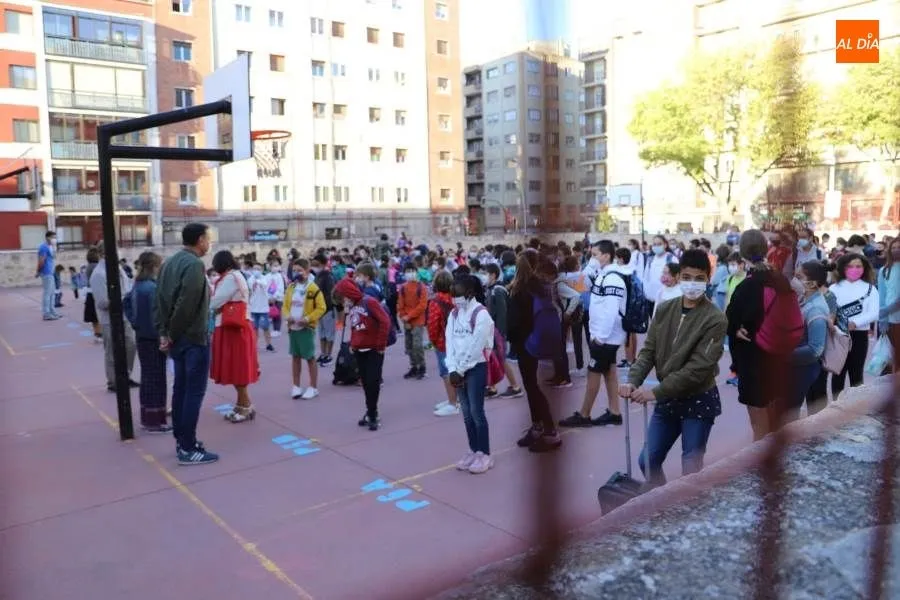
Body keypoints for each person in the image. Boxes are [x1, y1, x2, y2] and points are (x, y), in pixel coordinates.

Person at [620, 248, 727, 486]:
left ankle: (688, 513)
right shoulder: (666, 309)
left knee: (691, 468)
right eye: (688, 277)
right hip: (668, 400)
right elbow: (648, 351)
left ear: (708, 279)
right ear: (679, 278)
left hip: (698, 400)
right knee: (647, 460)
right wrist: (632, 380)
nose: (693, 283)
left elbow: (697, 370)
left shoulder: (715, 319)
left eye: (700, 279)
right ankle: (664, 504)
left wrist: (653, 392)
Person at [155, 223, 218, 465]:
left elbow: (159, 299)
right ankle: (188, 446)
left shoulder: (170, 262)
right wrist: (171, 332)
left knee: (180, 388)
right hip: (192, 338)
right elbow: (186, 303)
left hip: (178, 338)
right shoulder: (193, 264)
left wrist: (164, 332)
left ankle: (182, 440)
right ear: (200, 239)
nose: (209, 243)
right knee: (193, 391)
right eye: (208, 239)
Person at [727, 229, 792, 441]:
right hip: (779, 358)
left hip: (752, 361)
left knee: (759, 425)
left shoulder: (745, 287)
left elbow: (730, 323)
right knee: (776, 418)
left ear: (741, 253)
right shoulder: (781, 281)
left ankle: (761, 468)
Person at [560, 240, 628, 428]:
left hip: (606, 336)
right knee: (609, 372)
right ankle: (615, 412)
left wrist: (600, 338)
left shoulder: (613, 278)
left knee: (594, 372)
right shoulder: (602, 274)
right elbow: (580, 286)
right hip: (604, 335)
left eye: (595, 255)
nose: (592, 258)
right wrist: (588, 268)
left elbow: (611, 310)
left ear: (606, 256)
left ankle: (585, 414)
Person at [507, 251, 562, 453]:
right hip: (537, 340)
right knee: (532, 385)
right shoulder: (542, 288)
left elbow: (514, 323)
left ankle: (549, 430)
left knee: (532, 387)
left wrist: (511, 338)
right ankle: (538, 426)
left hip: (524, 343)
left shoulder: (520, 290)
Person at [446, 275, 496, 474]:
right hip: (457, 368)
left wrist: (460, 369)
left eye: (457, 295)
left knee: (477, 412)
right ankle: (473, 449)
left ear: (470, 293)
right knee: (466, 414)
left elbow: (477, 346)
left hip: (475, 367)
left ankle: (484, 453)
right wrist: (451, 368)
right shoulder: (454, 314)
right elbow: (449, 342)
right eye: (452, 295)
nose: (454, 299)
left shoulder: (481, 314)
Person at [209, 249, 260, 423]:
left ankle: (245, 406)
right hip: (236, 326)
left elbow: (215, 301)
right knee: (236, 368)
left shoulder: (230, 278)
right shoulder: (235, 276)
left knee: (237, 369)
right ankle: (241, 405)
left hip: (233, 328)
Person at [334, 278, 391, 430]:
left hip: (374, 349)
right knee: (365, 382)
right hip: (359, 350)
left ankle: (373, 414)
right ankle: (370, 411)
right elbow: (354, 327)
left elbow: (385, 321)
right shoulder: (352, 307)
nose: (343, 301)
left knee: (373, 382)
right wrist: (353, 344)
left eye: (343, 297)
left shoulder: (369, 302)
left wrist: (380, 345)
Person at [129, 251, 171, 433]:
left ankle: (148, 417)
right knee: (156, 379)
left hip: (142, 336)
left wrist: (135, 323)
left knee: (148, 378)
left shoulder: (138, 285)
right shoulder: (152, 288)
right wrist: (164, 335)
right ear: (154, 267)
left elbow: (126, 305)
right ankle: (155, 420)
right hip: (153, 338)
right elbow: (158, 316)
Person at [90, 240, 138, 393]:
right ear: (104, 253)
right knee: (112, 350)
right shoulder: (98, 274)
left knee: (130, 345)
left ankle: (126, 375)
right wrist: (124, 299)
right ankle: (113, 381)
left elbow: (128, 285)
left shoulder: (118, 268)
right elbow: (103, 302)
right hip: (109, 319)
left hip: (125, 316)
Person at [829, 253, 878, 397]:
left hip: (859, 336)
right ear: (843, 268)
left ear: (864, 268)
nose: (854, 269)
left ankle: (856, 411)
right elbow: (829, 310)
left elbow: (874, 312)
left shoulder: (870, 289)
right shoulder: (834, 288)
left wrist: (855, 323)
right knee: (838, 373)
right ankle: (836, 409)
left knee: (856, 375)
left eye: (858, 266)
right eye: (850, 266)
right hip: (838, 334)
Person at [787, 261, 830, 421]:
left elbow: (816, 349)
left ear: (811, 283)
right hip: (798, 365)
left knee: (789, 416)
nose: (794, 280)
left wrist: (784, 355)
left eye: (799, 277)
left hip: (804, 368)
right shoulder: (805, 301)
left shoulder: (815, 309)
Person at [284, 258, 327, 400]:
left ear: (307, 272)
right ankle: (296, 386)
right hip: (293, 328)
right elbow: (285, 306)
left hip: (306, 328)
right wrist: (287, 316)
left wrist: (308, 319)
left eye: (299, 270)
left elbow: (321, 307)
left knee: (309, 357)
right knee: (295, 357)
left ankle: (313, 387)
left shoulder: (313, 288)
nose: (296, 273)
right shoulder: (291, 287)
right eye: (294, 270)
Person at [483, 263, 523, 398]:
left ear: (493, 275)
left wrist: (499, 333)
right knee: (491, 358)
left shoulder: (498, 290)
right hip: (492, 329)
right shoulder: (491, 289)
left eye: (486, 273)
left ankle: (515, 386)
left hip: (497, 331)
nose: (485, 277)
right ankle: (492, 387)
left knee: (501, 359)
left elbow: (502, 313)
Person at [428, 271, 460, 416]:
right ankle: (455, 400)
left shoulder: (436, 302)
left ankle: (453, 403)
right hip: (458, 340)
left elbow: (433, 325)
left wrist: (433, 341)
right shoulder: (456, 299)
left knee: (446, 373)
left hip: (443, 342)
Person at [397, 263, 428, 379]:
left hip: (418, 321)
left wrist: (409, 316)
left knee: (417, 345)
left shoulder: (421, 287)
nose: (410, 273)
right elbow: (400, 304)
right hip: (407, 321)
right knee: (409, 345)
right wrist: (403, 317)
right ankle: (414, 366)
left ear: (416, 272)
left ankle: (422, 367)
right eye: (408, 271)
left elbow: (422, 305)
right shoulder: (403, 288)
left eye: (412, 270)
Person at [311, 254, 337, 365]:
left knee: (329, 333)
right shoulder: (317, 276)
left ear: (321, 263)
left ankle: (329, 355)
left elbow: (331, 294)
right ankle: (323, 353)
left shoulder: (328, 276)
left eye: (316, 263)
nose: (313, 266)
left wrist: (326, 306)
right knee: (321, 334)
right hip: (319, 310)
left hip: (328, 309)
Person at [247, 262, 275, 352]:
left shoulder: (265, 278)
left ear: (262, 270)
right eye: (254, 269)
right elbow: (249, 289)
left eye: (258, 269)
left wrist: (258, 282)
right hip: (253, 308)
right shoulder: (250, 280)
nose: (256, 271)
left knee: (265, 327)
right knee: (254, 328)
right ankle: (254, 345)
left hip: (263, 308)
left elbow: (266, 286)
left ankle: (269, 344)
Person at [37, 230, 60, 320]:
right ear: (47, 237)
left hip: (51, 272)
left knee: (52, 294)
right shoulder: (43, 247)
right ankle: (46, 313)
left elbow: (54, 257)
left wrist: (54, 247)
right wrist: (38, 271)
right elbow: (41, 260)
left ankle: (52, 311)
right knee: (47, 294)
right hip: (46, 272)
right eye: (53, 237)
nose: (54, 239)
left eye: (55, 238)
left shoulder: (50, 247)